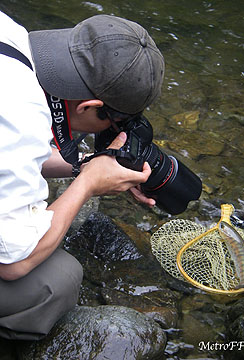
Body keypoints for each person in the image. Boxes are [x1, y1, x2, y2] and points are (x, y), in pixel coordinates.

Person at [0, 11, 164, 340]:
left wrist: (89, 162)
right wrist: (87, 184)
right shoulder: (21, 120)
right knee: (56, 281)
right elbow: (12, 263)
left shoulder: (13, 35)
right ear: (89, 106)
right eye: (115, 124)